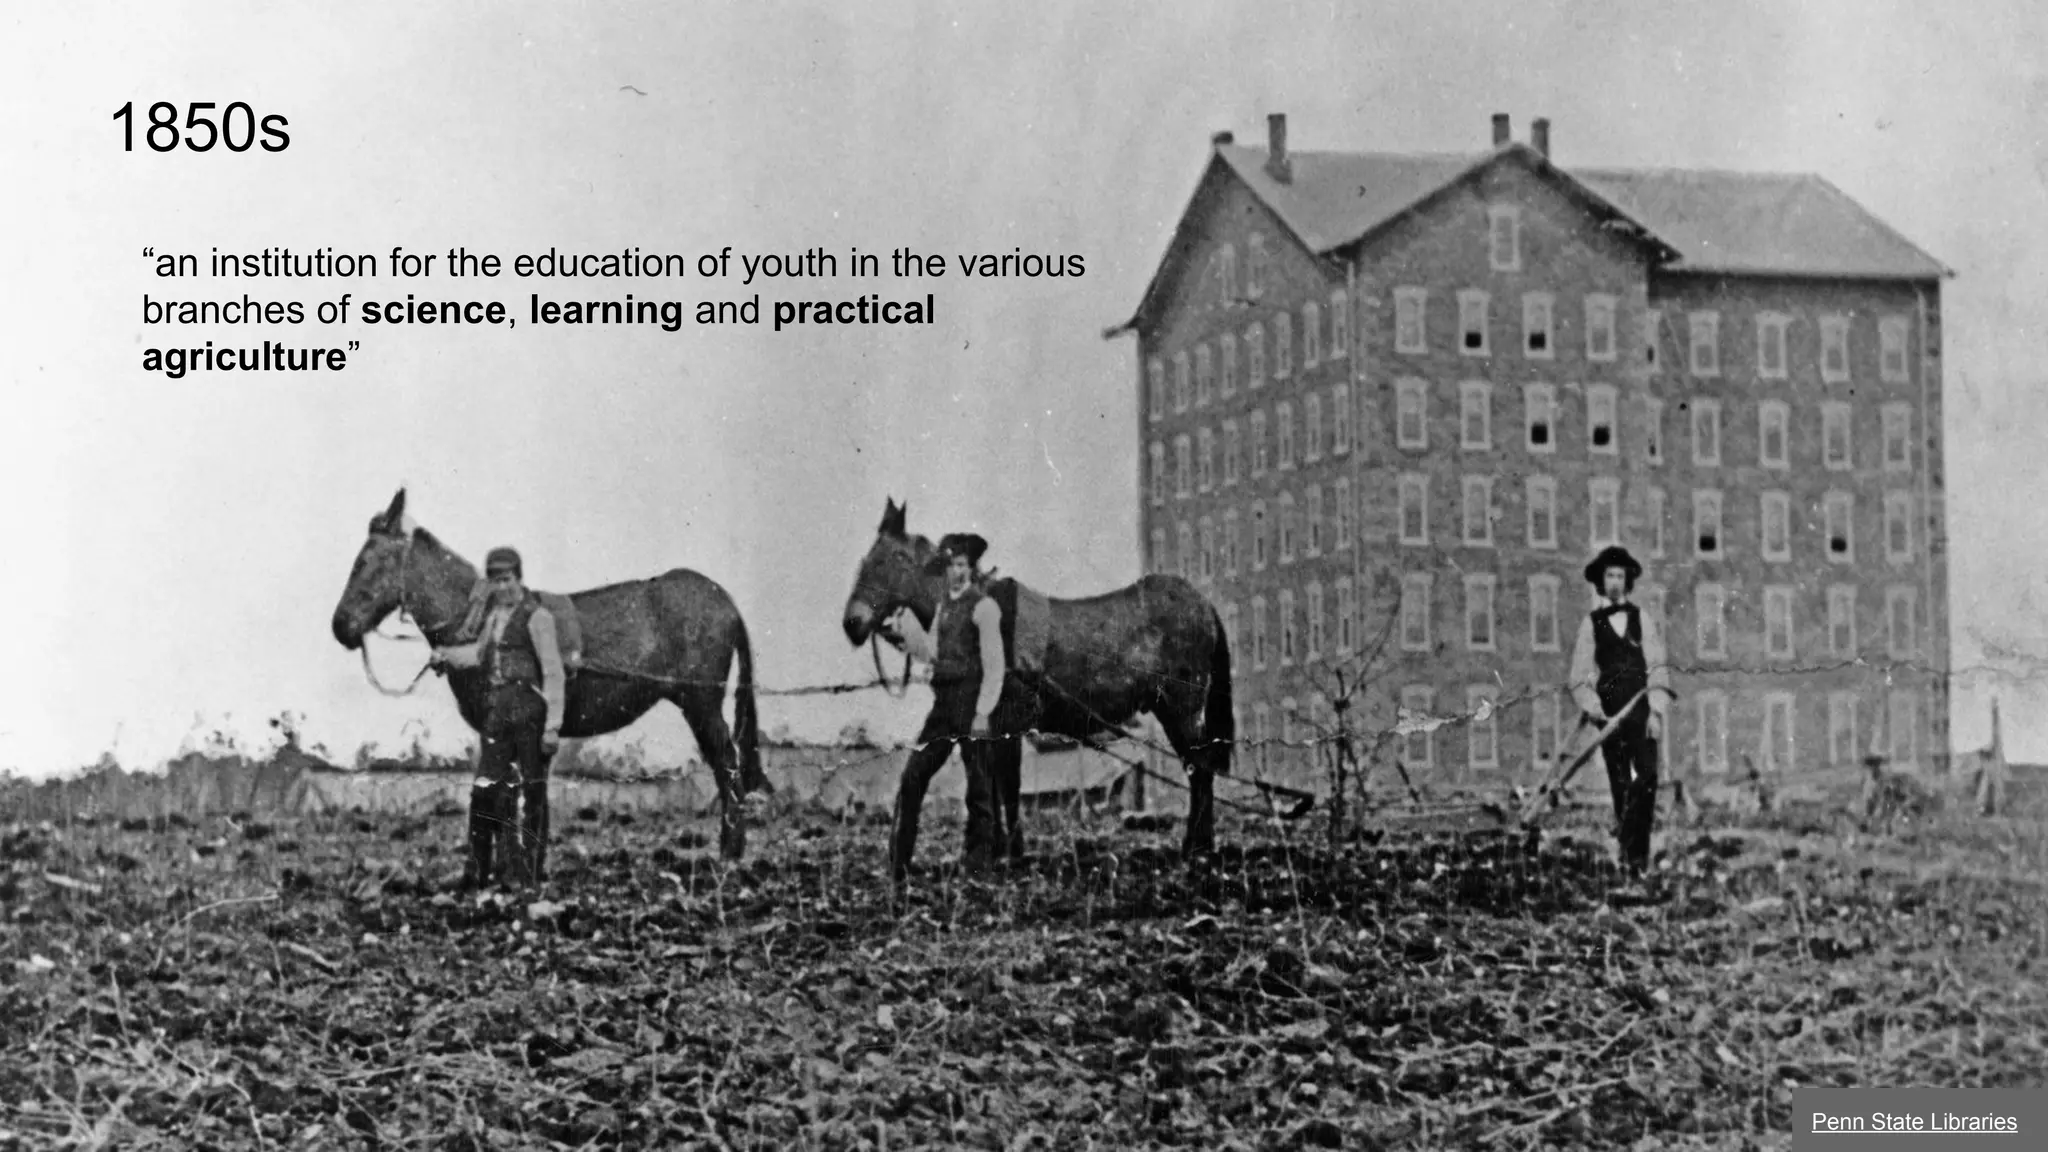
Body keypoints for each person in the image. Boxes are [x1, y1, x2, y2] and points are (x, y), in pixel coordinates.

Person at [429, 546, 567, 890]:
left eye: (507, 580)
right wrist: (445, 656)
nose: (502, 587)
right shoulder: (494, 617)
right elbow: (477, 655)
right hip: (498, 712)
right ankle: (477, 872)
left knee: (532, 794)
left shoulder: (538, 618)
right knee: (483, 790)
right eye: (496, 582)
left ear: (518, 578)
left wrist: (552, 727)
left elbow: (554, 673)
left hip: (529, 711)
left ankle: (529, 876)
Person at [882, 532, 1008, 882]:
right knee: (913, 776)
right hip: (943, 707)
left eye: (963, 565)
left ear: (972, 568)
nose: (957, 572)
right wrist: (903, 635)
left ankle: (979, 870)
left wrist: (983, 713)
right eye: (952, 565)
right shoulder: (943, 607)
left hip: (972, 705)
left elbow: (995, 666)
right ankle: (898, 865)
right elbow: (933, 651)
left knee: (979, 790)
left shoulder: (984, 608)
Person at [1567, 544, 1669, 877]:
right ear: (1601, 581)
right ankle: (1629, 862)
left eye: (1620, 576)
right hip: (1611, 715)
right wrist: (1596, 710)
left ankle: (1637, 853)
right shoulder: (1591, 623)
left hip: (1640, 709)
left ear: (1627, 581)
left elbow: (1657, 667)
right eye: (1609, 575)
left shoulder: (1642, 619)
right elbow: (1578, 677)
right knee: (1621, 783)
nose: (1614, 582)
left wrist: (1656, 712)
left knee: (1648, 777)